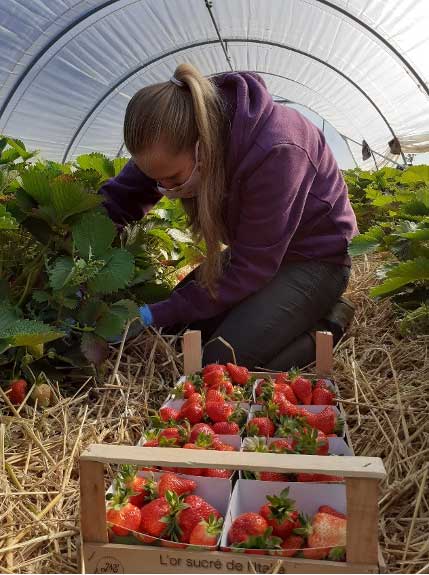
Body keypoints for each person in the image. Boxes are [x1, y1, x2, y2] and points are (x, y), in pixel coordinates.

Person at [100, 63, 358, 370]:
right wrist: (83, 254)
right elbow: (120, 199)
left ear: (202, 148)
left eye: (171, 178)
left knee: (222, 362)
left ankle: (328, 322)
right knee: (177, 332)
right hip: (258, 249)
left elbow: (251, 269)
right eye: (157, 180)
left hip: (314, 260)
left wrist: (156, 311)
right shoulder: (173, 133)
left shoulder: (277, 150)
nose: (163, 189)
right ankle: (280, 315)